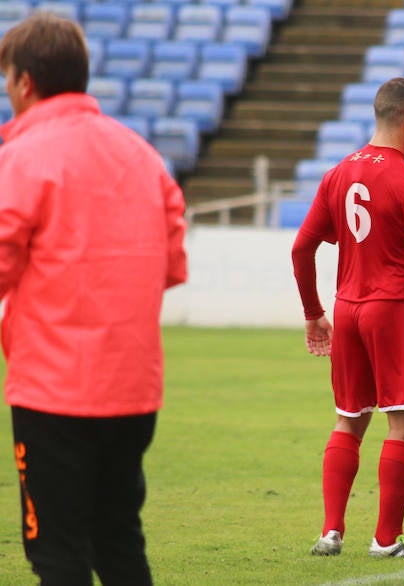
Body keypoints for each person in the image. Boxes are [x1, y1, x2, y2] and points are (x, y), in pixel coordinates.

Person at [0, 12, 188, 586]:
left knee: (56, 552)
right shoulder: (142, 156)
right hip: (131, 389)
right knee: (118, 541)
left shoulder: (25, 156)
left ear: (26, 82)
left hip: (54, 391)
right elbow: (171, 264)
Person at [292, 77, 404, 559]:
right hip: (394, 309)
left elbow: (301, 247)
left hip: (347, 308)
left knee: (349, 419)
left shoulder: (338, 173)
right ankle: (385, 541)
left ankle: (330, 532)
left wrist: (314, 314)